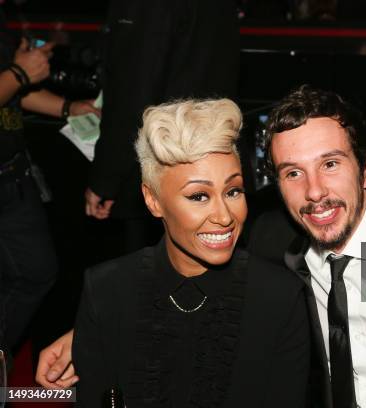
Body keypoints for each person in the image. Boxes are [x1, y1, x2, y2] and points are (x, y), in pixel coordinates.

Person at [37, 87, 366, 408]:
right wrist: (87, 327)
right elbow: (191, 269)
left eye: (331, 164)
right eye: (292, 173)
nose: (315, 193)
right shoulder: (270, 239)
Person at [71, 99, 309, 406]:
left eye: (233, 191)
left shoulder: (279, 297)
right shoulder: (106, 290)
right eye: (199, 196)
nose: (224, 216)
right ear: (153, 200)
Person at [85, 0, 240, 253]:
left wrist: (105, 178)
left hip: (161, 167)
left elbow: (133, 96)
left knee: (152, 275)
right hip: (212, 155)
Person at [0, 5, 99, 358]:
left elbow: (13, 91)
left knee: (37, 272)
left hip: (13, 173)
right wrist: (18, 73)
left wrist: (67, 107)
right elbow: (13, 80)